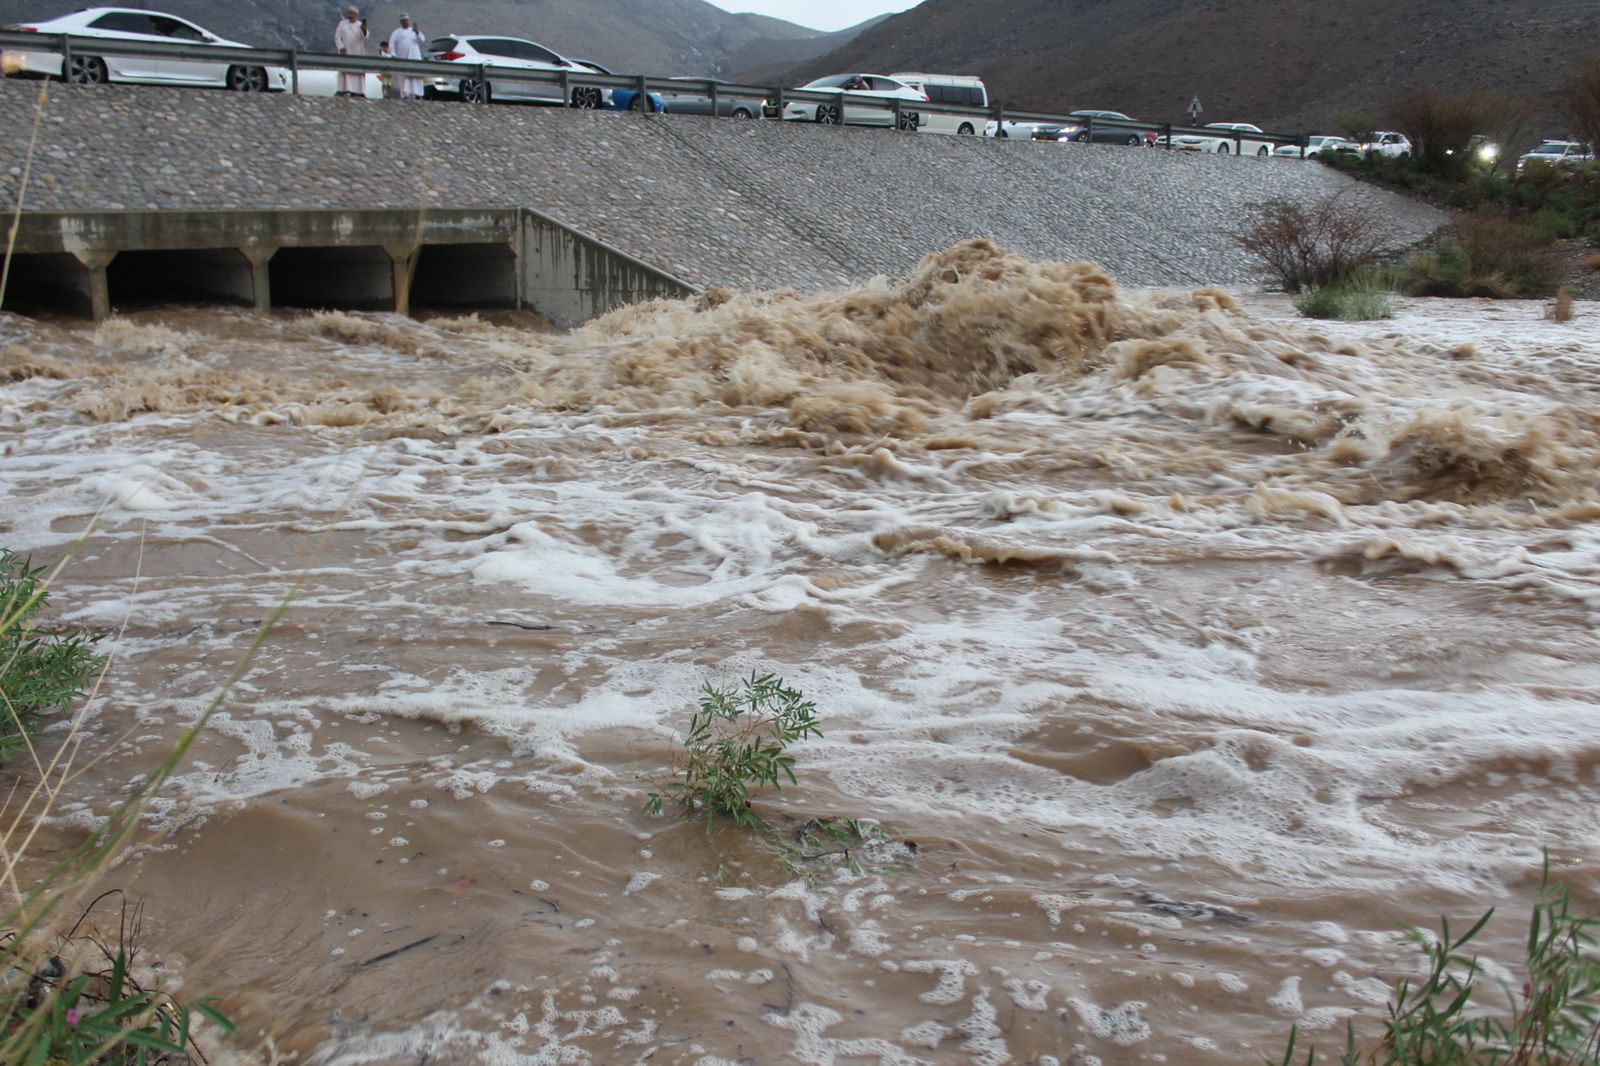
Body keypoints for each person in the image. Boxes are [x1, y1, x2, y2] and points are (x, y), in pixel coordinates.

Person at [387, 13, 425, 100]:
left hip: (415, 58)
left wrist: (418, 32)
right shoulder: (397, 32)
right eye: (404, 21)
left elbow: (422, 40)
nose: (406, 22)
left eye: (407, 21)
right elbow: (391, 44)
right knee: (404, 78)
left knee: (416, 77)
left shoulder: (414, 31)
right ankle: (405, 95)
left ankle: (418, 95)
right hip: (403, 58)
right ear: (401, 22)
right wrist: (393, 55)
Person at [332, 5, 366, 98]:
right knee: (344, 71)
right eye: (349, 13)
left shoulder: (360, 25)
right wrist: (341, 47)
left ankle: (358, 91)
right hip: (345, 51)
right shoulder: (342, 24)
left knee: (357, 71)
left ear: (356, 15)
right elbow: (337, 37)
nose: (349, 15)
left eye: (351, 13)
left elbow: (365, 35)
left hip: (357, 52)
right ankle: (342, 90)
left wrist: (364, 28)